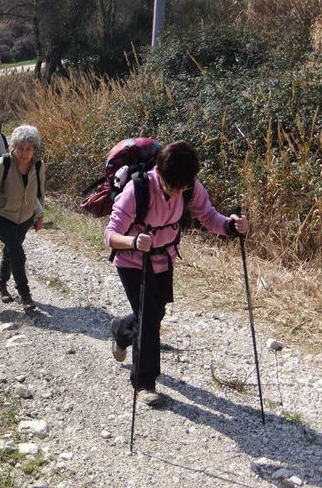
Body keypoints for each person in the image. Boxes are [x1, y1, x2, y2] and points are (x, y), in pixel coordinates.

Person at [104, 140, 249, 406]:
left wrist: (230, 226)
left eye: (182, 188)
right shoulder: (137, 190)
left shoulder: (188, 186)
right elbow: (110, 236)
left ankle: (122, 329)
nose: (176, 194)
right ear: (159, 173)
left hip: (164, 259)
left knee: (154, 312)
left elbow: (208, 215)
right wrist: (134, 242)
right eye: (172, 188)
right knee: (148, 319)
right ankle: (144, 383)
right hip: (133, 262)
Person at [0, 125, 45, 312]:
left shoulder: (38, 166)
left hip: (25, 218)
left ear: (34, 149)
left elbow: (39, 194)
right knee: (17, 253)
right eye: (20, 148)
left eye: (28, 148)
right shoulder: (3, 164)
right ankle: (24, 294)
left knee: (10, 251)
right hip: (2, 216)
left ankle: (0, 284)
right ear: (13, 147)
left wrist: (40, 217)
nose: (24, 152)